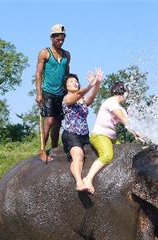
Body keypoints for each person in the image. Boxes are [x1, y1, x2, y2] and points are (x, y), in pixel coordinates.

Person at [83, 82, 131, 194]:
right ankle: (88, 178)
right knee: (107, 155)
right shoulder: (111, 102)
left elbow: (130, 123)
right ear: (124, 92)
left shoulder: (120, 108)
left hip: (111, 138)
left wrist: (138, 133)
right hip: (99, 136)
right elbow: (124, 120)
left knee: (125, 150)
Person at [61, 69, 103, 191]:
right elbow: (79, 94)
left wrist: (98, 83)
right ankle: (79, 183)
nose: (75, 83)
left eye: (76, 81)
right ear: (66, 86)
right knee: (78, 156)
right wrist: (90, 84)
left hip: (84, 134)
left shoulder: (82, 101)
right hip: (71, 134)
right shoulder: (67, 99)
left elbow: (92, 96)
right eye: (71, 81)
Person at [35, 23, 71, 162]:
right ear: (52, 37)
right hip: (48, 91)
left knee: (58, 123)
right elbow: (38, 74)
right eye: (58, 38)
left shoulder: (67, 54)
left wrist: (69, 92)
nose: (60, 41)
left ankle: (54, 148)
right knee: (49, 121)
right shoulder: (44, 53)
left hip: (61, 93)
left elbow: (67, 74)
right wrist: (38, 93)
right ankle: (43, 150)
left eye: (62, 38)